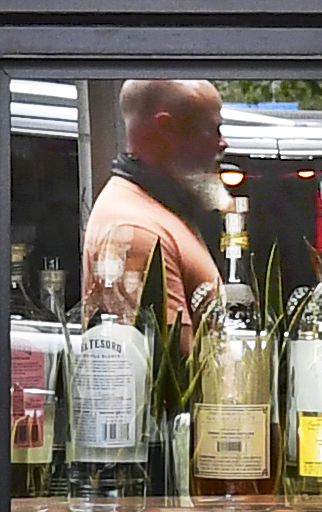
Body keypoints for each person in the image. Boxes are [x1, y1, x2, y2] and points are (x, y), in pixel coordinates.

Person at [81, 79, 229, 340]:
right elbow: (172, 372)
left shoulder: (156, 208)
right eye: (213, 130)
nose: (223, 143)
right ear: (166, 127)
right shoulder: (134, 231)